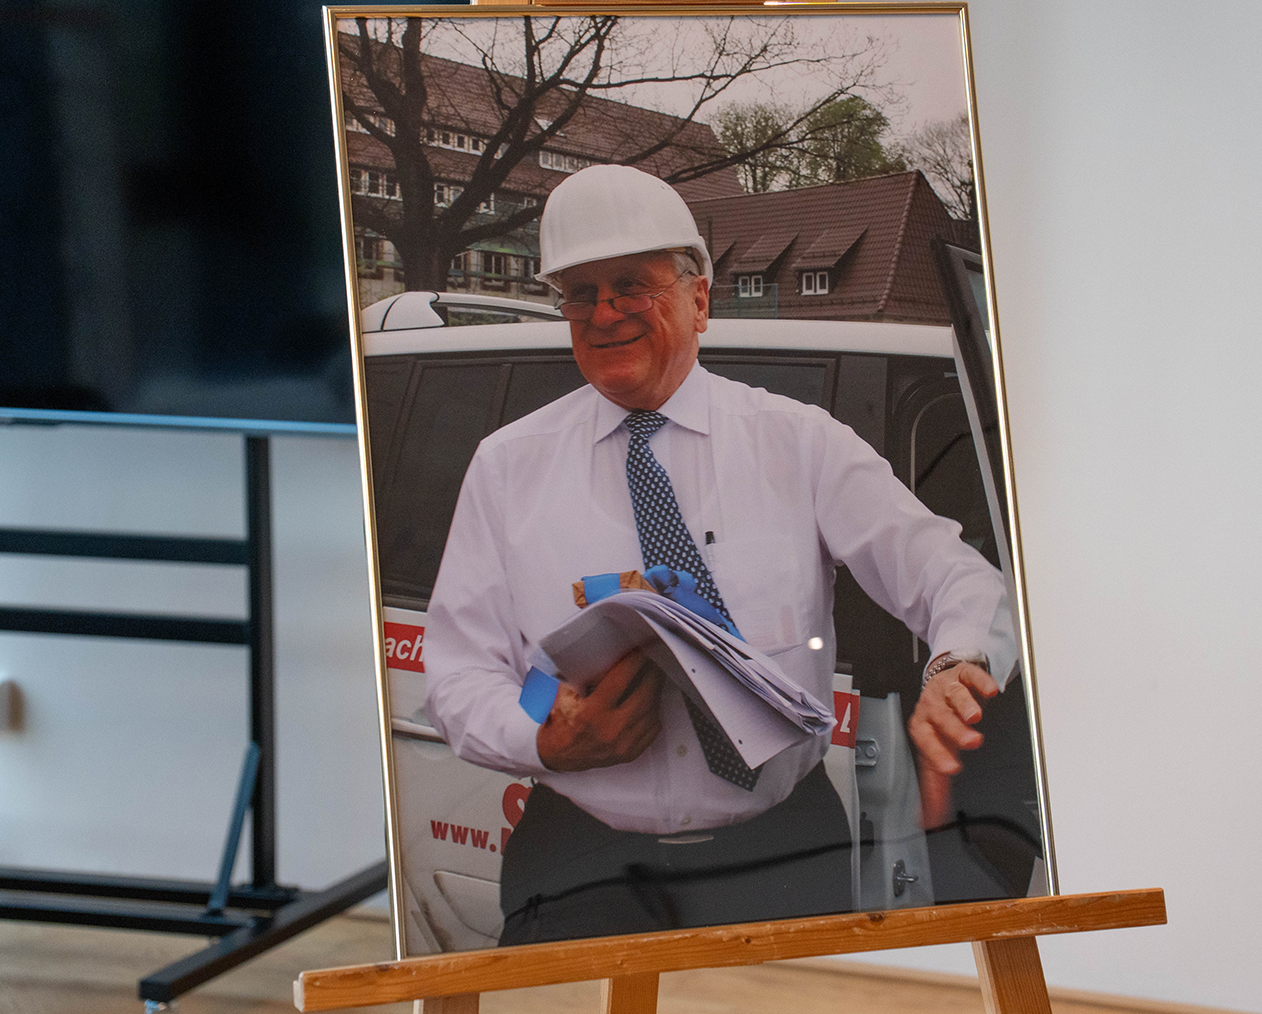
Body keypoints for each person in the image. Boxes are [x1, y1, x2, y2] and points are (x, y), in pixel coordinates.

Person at [422, 164, 1017, 944]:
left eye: (632, 285)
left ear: (699, 299)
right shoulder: (507, 467)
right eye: (580, 292)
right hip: (579, 862)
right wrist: (542, 736)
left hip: (781, 850)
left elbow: (954, 574)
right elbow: (459, 671)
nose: (604, 313)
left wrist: (955, 663)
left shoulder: (798, 444)